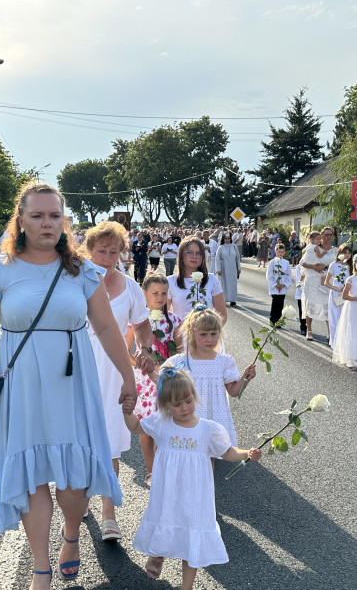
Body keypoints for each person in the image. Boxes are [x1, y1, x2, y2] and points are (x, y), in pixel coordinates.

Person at [0, 182, 137, 590]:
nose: (46, 223)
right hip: (22, 388)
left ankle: (72, 532)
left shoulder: (82, 272)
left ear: (65, 222)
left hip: (72, 387)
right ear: (20, 220)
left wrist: (129, 377)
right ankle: (41, 571)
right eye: (37, 216)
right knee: (33, 477)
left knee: (73, 483)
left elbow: (108, 329)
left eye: (54, 216)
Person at [124, 369, 261, 590]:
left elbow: (227, 452)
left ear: (194, 397)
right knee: (166, 522)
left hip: (196, 495)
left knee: (192, 535)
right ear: (165, 405)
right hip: (167, 492)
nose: (185, 407)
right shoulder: (161, 423)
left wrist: (246, 455)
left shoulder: (208, 429)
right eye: (177, 404)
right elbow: (135, 427)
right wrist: (127, 410)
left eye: (188, 401)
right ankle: (158, 554)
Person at [84, 220, 154, 542]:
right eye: (101, 251)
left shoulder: (130, 287)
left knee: (110, 441)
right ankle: (80, 500)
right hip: (80, 370)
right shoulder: (76, 281)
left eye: (114, 252)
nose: (107, 258)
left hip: (115, 372)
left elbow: (141, 326)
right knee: (81, 440)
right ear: (89, 251)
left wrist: (144, 349)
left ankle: (109, 513)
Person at [152, 308, 256, 447]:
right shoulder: (180, 361)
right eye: (203, 334)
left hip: (214, 418)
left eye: (214, 334)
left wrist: (245, 377)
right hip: (187, 416)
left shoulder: (225, 361)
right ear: (192, 333)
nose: (209, 339)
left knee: (210, 456)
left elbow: (233, 392)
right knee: (187, 454)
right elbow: (162, 382)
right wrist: (149, 371)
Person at [127, 273, 183, 485]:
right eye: (154, 293)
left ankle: (163, 469)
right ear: (144, 295)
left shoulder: (175, 321)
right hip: (145, 381)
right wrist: (140, 364)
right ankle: (151, 470)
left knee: (167, 426)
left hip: (166, 379)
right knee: (147, 428)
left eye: (163, 294)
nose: (159, 298)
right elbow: (125, 349)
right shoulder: (138, 322)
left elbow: (180, 351)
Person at [168, 236, 227, 323]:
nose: (194, 256)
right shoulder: (170, 282)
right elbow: (164, 315)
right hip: (180, 335)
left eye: (198, 253)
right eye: (190, 252)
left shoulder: (212, 280)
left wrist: (209, 333)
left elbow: (222, 315)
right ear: (181, 255)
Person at [300, 227, 337, 341]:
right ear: (321, 235)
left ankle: (330, 332)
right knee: (309, 303)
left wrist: (325, 266)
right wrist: (314, 267)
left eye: (330, 235)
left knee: (328, 306)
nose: (328, 237)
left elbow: (338, 265)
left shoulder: (335, 251)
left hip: (326, 280)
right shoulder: (312, 248)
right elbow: (302, 263)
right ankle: (309, 330)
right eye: (326, 234)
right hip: (312, 279)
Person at [322, 243, 354, 349]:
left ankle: (345, 342)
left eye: (349, 253)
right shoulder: (334, 265)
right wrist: (337, 288)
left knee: (346, 318)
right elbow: (326, 282)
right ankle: (336, 343)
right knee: (335, 318)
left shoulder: (351, 266)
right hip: (336, 294)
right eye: (345, 253)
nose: (347, 255)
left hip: (348, 294)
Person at [213, 232, 242, 307]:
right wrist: (218, 269)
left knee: (232, 284)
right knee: (224, 284)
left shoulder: (234, 247)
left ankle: (232, 300)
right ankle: (224, 300)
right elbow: (217, 259)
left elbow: (238, 258)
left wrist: (238, 268)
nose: (227, 240)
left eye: (228, 238)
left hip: (233, 269)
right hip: (224, 268)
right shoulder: (221, 248)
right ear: (223, 239)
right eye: (225, 238)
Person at [266, 243, 292, 325]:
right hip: (275, 287)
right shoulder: (272, 262)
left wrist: (284, 284)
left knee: (281, 303)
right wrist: (275, 285)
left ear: (284, 253)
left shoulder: (286, 263)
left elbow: (288, 274)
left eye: (282, 252)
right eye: (279, 251)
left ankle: (278, 320)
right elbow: (269, 275)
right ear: (275, 251)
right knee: (275, 302)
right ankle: (273, 320)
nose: (280, 253)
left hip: (283, 286)